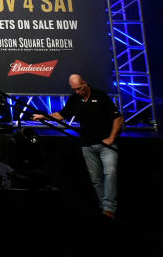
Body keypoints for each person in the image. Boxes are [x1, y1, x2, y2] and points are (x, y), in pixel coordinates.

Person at [32, 74, 123, 218]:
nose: (78, 92)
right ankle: (104, 208)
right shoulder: (74, 99)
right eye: (74, 89)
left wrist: (111, 138)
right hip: (87, 145)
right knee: (96, 179)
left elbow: (118, 118)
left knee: (110, 174)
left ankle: (109, 209)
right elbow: (62, 115)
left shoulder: (100, 96)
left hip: (106, 144)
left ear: (85, 83)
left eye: (79, 88)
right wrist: (44, 116)